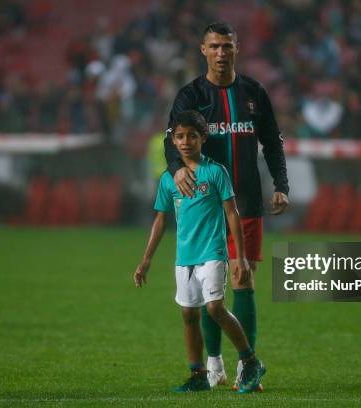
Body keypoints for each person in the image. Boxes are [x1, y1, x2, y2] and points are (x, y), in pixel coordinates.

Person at [164, 21, 289, 389]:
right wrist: (174, 170)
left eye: (227, 47)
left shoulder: (253, 92)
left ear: (237, 48)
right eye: (214, 46)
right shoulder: (191, 95)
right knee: (208, 293)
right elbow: (172, 139)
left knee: (243, 281)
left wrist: (281, 184)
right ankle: (214, 364)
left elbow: (273, 142)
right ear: (203, 50)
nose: (221, 53)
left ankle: (243, 367)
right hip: (205, 209)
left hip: (246, 201)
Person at [135, 110, 266, 393]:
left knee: (215, 308)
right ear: (173, 139)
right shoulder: (170, 179)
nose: (185, 142)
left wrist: (240, 255)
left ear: (203, 138)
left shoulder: (215, 171)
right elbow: (160, 219)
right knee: (188, 314)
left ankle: (250, 360)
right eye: (179, 136)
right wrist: (146, 260)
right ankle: (197, 374)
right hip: (185, 257)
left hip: (213, 252)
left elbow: (232, 213)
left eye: (192, 136)